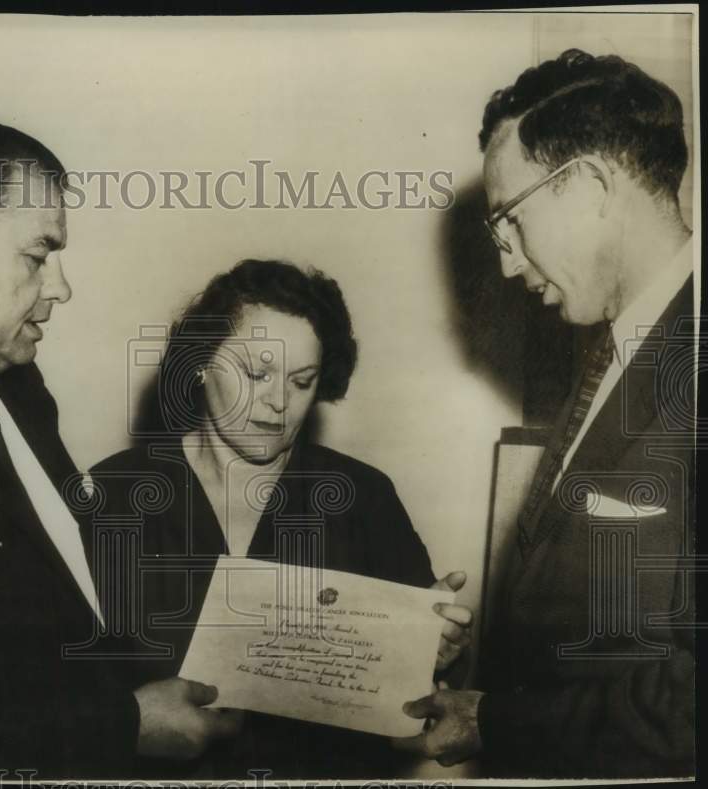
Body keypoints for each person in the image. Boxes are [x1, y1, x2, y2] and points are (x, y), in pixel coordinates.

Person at [0, 118, 240, 780]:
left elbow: (68, 577)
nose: (60, 288)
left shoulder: (14, 375)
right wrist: (126, 726)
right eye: (37, 257)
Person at [393, 50, 696, 778]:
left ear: (591, 184)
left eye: (510, 223)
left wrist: (497, 719)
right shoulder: (618, 353)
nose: (506, 264)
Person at [84, 259, 473, 778]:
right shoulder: (111, 495)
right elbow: (62, 691)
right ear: (199, 362)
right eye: (255, 373)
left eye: (301, 381)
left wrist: (434, 651)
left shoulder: (362, 497)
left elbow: (418, 697)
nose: (277, 402)